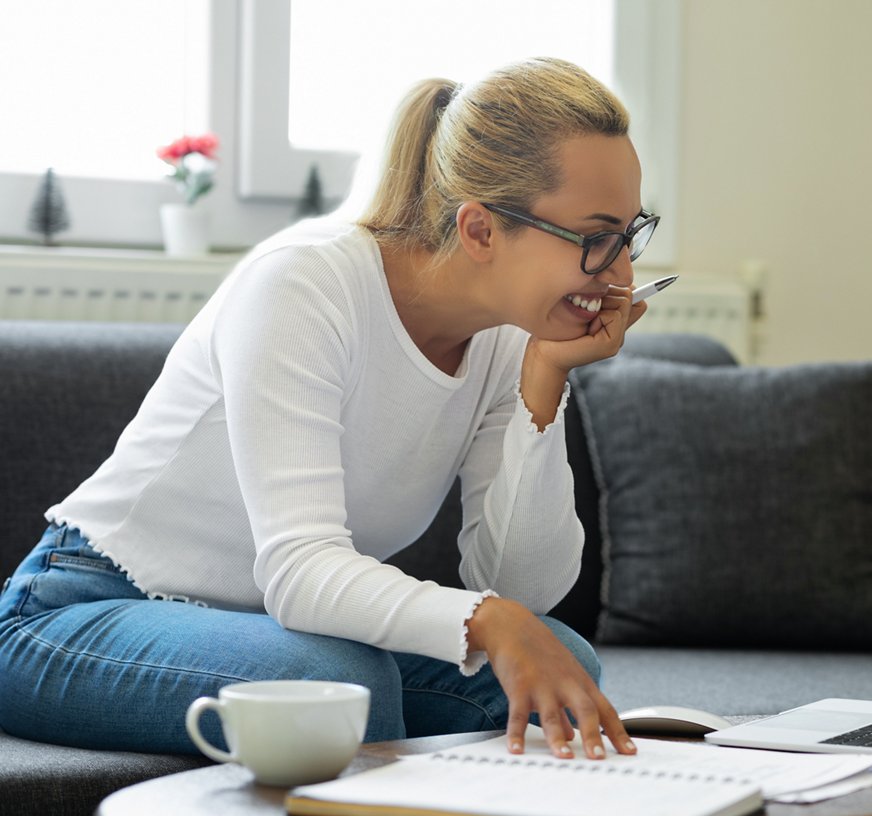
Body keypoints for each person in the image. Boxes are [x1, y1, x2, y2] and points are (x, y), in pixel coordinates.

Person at [0, 57, 658, 763]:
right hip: (77, 613)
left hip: (270, 634)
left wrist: (544, 383)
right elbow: (301, 572)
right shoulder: (304, 283)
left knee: (562, 666)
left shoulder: (506, 338)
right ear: (480, 230)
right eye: (596, 240)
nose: (620, 275)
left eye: (630, 235)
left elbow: (524, 589)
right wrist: (488, 620)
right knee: (340, 683)